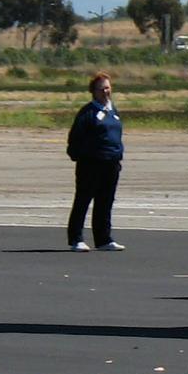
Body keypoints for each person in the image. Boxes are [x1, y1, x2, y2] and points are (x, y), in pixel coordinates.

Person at [66, 71, 124, 251]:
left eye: (107, 87)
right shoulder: (88, 112)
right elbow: (75, 139)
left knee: (105, 202)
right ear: (94, 91)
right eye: (101, 89)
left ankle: (103, 239)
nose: (105, 92)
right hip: (91, 164)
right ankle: (76, 239)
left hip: (111, 163)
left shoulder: (112, 110)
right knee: (83, 200)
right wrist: (83, 156)